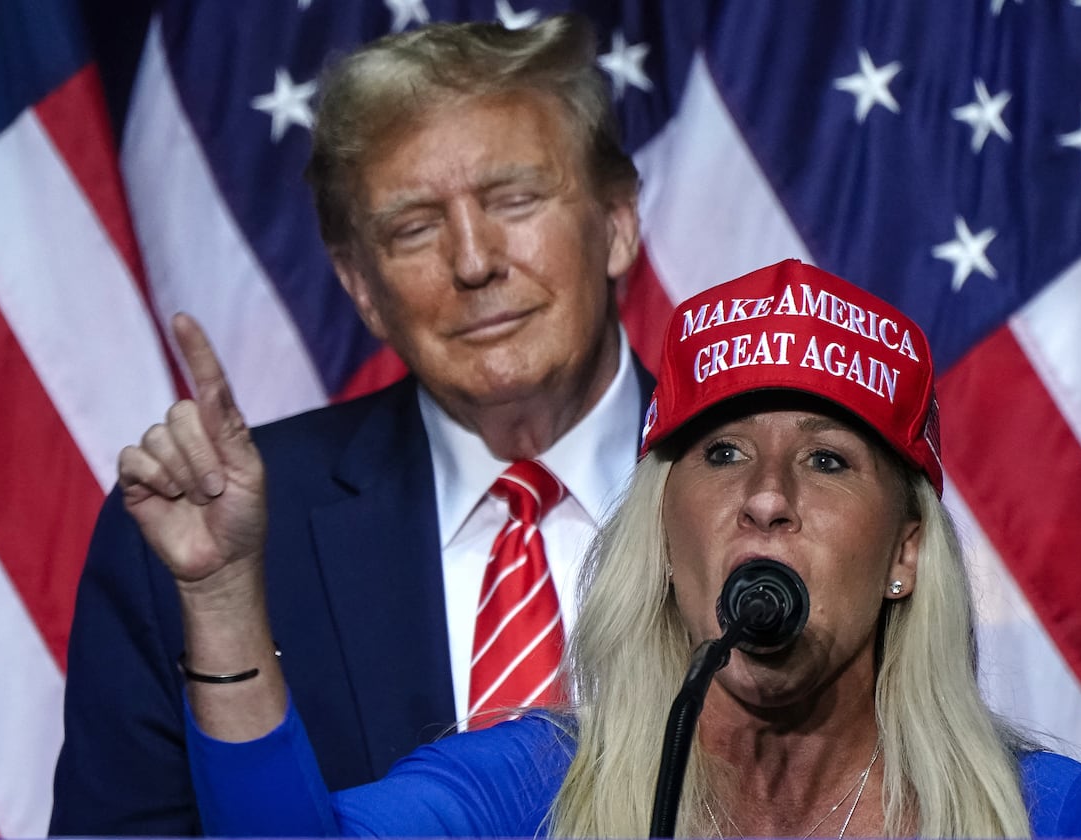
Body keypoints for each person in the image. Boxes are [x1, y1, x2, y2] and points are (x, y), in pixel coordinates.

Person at [172, 259, 1081, 837]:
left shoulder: (1041, 816)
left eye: (828, 461)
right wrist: (219, 598)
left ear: (904, 557)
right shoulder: (535, 790)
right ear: (666, 536)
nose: (767, 497)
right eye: (723, 454)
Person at [50, 14, 653, 836]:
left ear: (617, 222)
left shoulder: (769, 499)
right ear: (361, 287)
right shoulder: (196, 547)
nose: (473, 261)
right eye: (414, 227)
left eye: (514, 199)